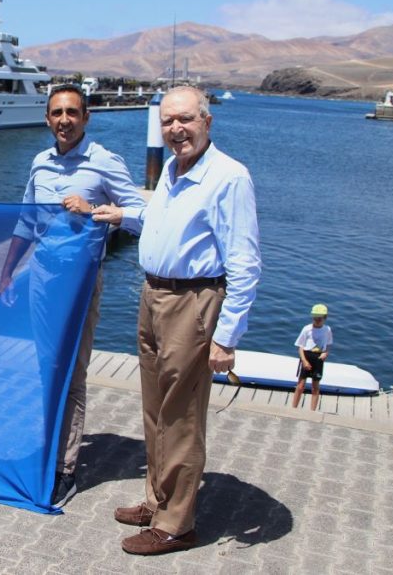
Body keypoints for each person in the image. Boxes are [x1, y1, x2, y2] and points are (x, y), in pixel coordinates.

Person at [93, 85, 260, 555]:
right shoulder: (172, 169)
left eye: (185, 119)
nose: (175, 129)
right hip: (154, 296)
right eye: (167, 121)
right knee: (156, 409)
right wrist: (123, 215)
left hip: (193, 303)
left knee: (181, 415)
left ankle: (177, 525)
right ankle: (157, 499)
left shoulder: (229, 177)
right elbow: (161, 222)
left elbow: (245, 263)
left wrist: (226, 338)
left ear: (207, 121)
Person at [0, 83, 146, 508]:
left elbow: (140, 214)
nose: (64, 120)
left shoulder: (104, 162)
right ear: (47, 118)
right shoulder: (40, 163)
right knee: (46, 367)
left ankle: (66, 468)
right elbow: (26, 221)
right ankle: (46, 446)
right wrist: (7, 271)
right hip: (42, 277)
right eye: (57, 113)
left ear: (86, 117)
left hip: (80, 281)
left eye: (72, 113)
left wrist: (94, 211)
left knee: (72, 372)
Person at [291, 303, 333, 410]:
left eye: (320, 318)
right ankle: (293, 408)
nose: (317, 320)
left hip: (318, 358)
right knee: (300, 385)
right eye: (315, 318)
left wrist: (325, 353)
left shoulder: (327, 330)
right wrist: (304, 361)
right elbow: (300, 347)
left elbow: (329, 344)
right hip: (307, 356)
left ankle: (312, 411)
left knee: (315, 386)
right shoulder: (307, 329)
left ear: (325, 318)